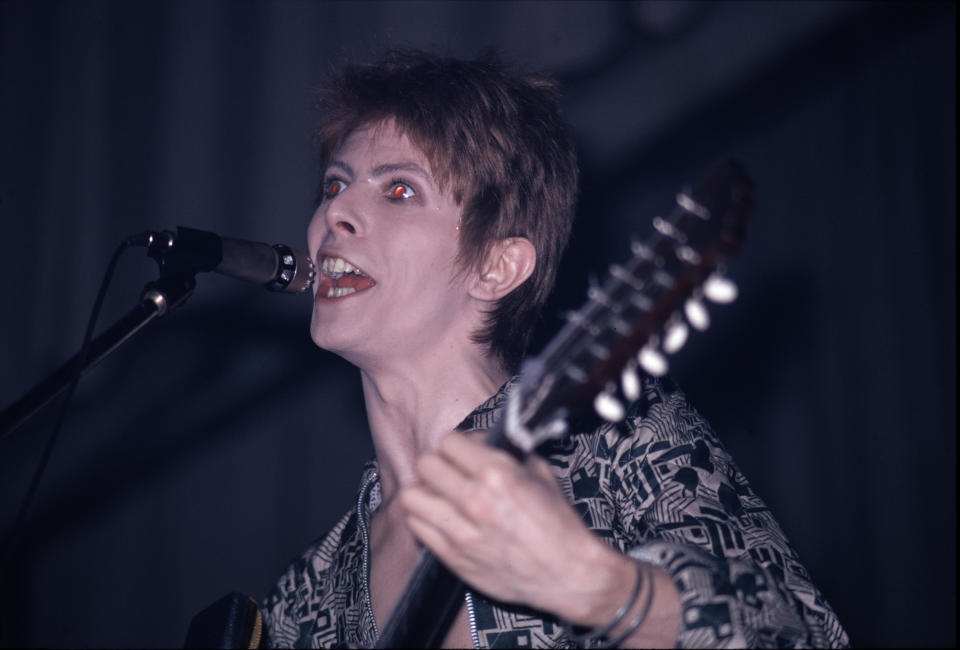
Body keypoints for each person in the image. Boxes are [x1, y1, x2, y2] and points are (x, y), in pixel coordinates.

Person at [261, 50, 849, 648]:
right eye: (335, 183)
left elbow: (804, 638)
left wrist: (607, 590)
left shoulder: (619, 440)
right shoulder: (304, 596)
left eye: (400, 190)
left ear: (496, 267)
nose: (335, 211)